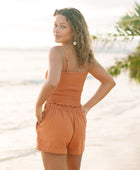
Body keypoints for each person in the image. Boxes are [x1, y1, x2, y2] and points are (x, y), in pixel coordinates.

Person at [35, 7, 116, 170]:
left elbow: (52, 83)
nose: (56, 30)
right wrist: (86, 107)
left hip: (56, 119)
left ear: (75, 30)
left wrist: (38, 105)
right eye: (55, 25)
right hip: (77, 121)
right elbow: (109, 82)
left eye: (63, 26)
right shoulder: (85, 56)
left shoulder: (57, 52)